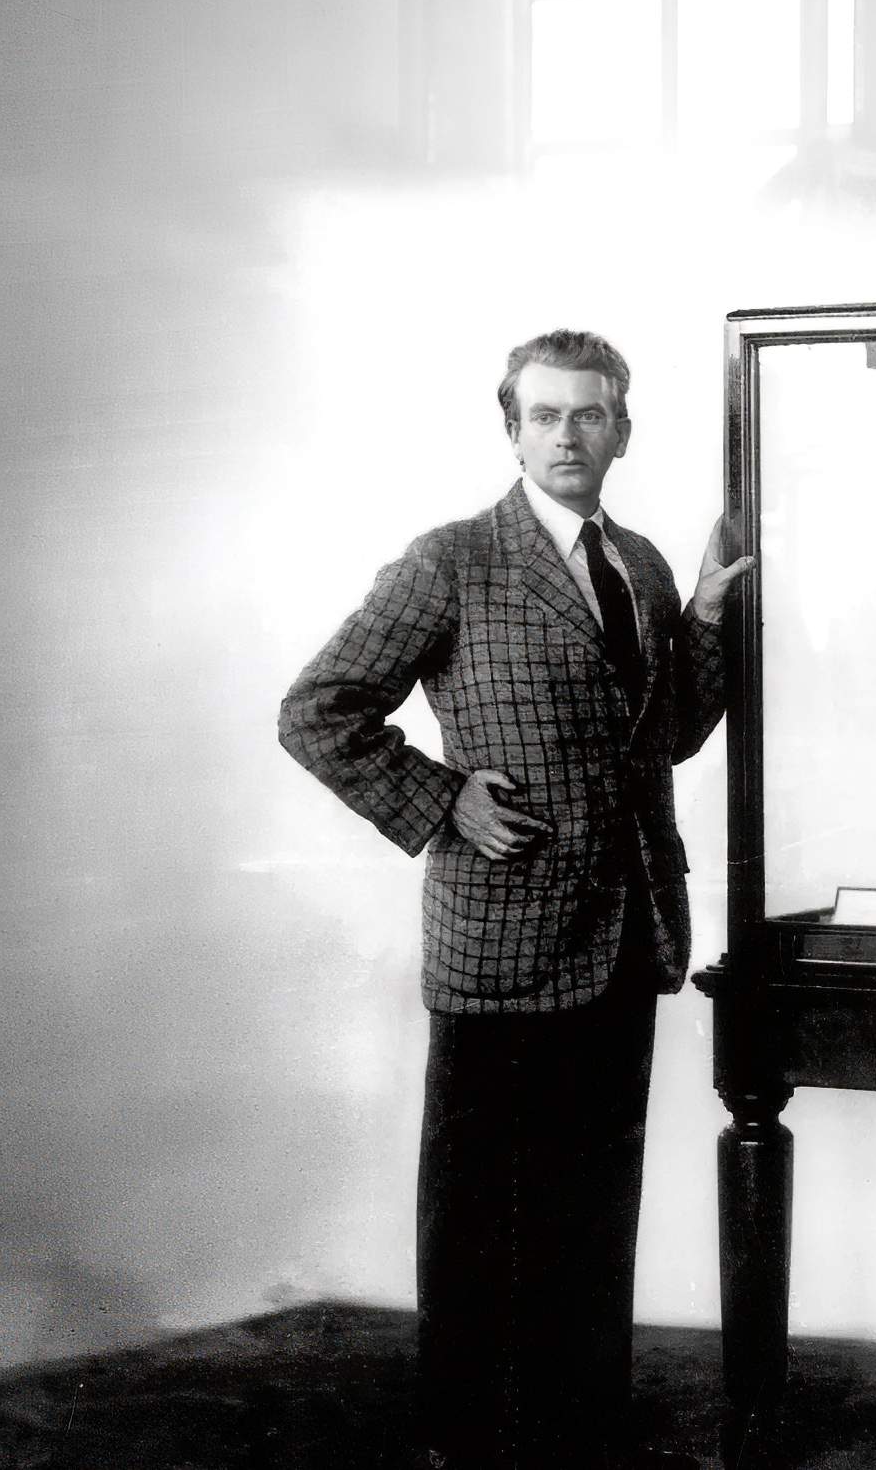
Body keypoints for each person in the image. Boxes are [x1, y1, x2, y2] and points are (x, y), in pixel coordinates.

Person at [279, 328, 751, 1470]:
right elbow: (317, 711)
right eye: (544, 415)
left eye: (589, 415)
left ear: (622, 429)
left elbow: (669, 738)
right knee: (479, 1214)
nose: (567, 436)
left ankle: (581, 1430)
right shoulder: (450, 560)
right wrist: (440, 801)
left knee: (593, 1209)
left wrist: (700, 613)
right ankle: (470, 1439)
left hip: (628, 928)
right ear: (511, 429)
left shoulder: (634, 563)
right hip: (503, 938)